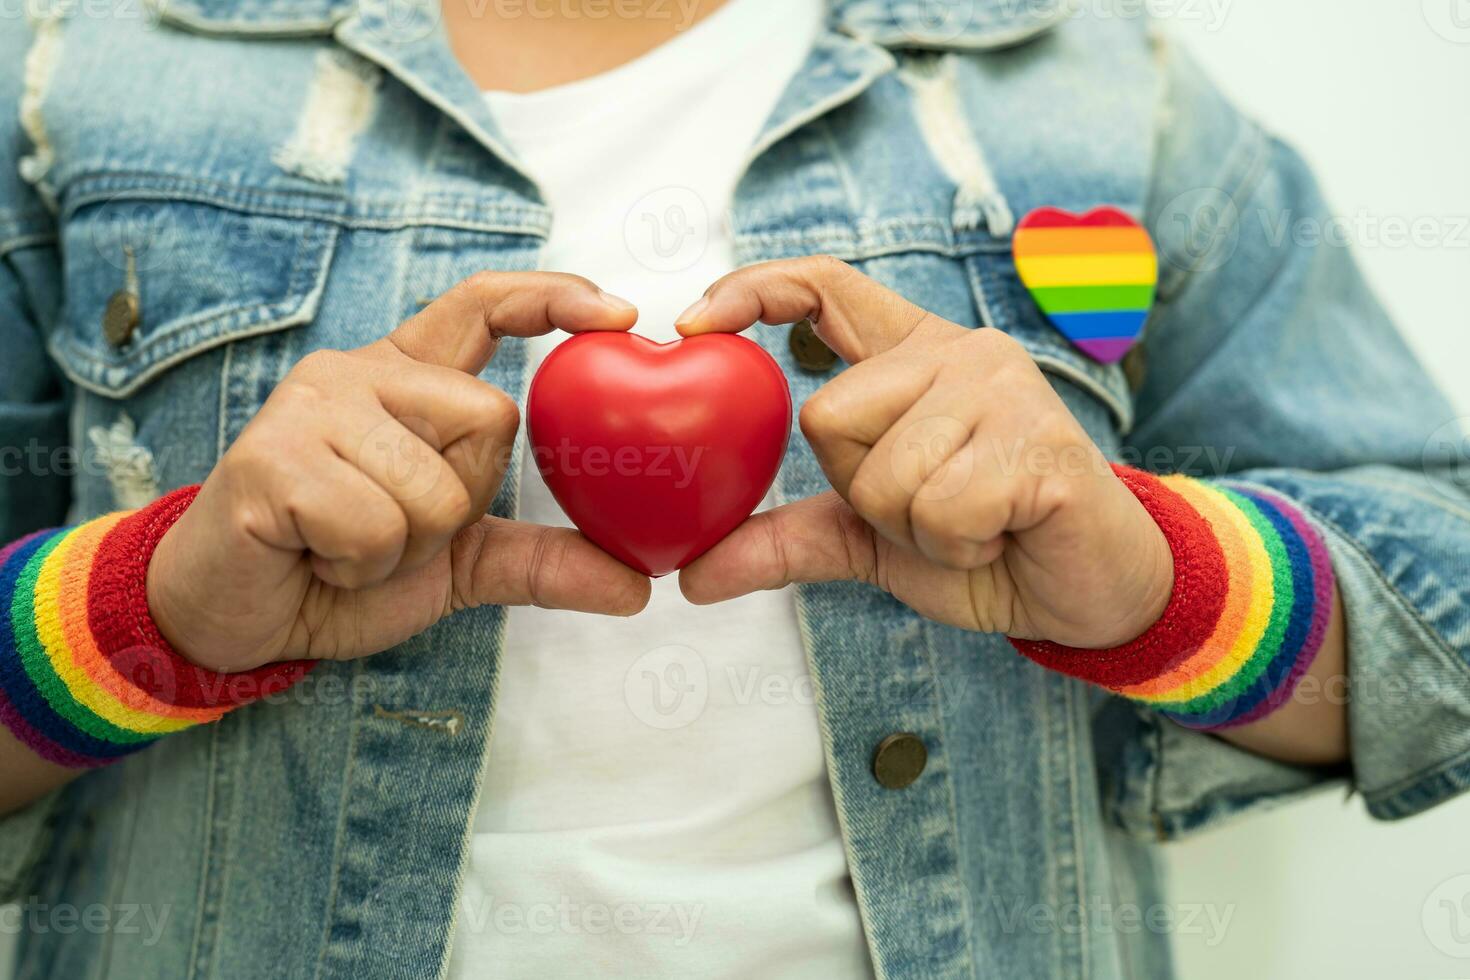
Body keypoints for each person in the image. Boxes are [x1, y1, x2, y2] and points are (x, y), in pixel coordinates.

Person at [0, 0, 1465, 977]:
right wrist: (143, 621)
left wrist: (1160, 584)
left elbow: (1437, 629)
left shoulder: (1083, 74)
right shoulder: (75, 61)